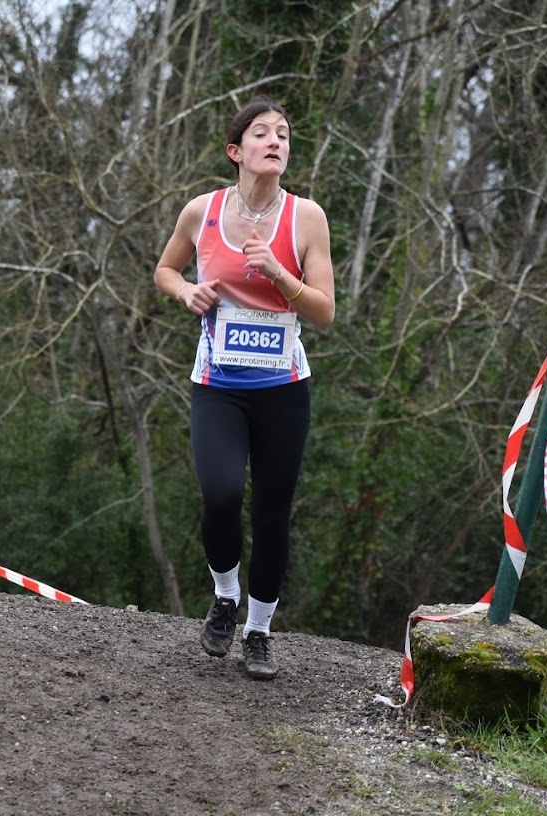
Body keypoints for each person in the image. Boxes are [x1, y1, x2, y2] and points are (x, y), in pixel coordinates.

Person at [152, 95, 335, 679]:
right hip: (218, 385)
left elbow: (325, 312)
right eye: (262, 132)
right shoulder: (201, 211)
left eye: (283, 133)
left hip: (283, 389)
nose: (276, 140)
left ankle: (258, 631)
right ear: (236, 150)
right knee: (222, 494)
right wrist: (187, 291)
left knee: (273, 512)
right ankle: (225, 594)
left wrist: (280, 274)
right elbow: (165, 270)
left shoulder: (306, 217)